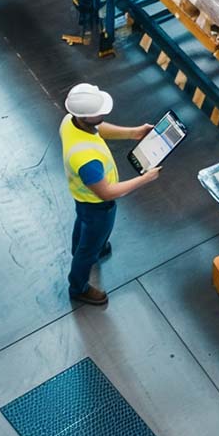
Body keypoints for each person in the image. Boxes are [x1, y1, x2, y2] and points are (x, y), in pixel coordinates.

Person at [60, 83, 161, 305]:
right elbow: (107, 192)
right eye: (99, 112)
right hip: (98, 205)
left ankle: (90, 247)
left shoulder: (71, 121)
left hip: (83, 199)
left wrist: (133, 132)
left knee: (84, 225)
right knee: (88, 248)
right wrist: (145, 179)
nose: (104, 112)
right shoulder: (86, 159)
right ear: (87, 117)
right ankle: (78, 287)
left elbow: (99, 128)